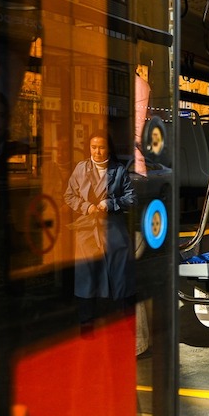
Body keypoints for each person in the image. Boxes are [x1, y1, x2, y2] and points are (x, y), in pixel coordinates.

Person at [64, 131, 137, 325]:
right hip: (87, 229)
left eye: (101, 147)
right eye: (93, 147)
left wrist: (110, 204)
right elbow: (69, 195)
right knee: (86, 276)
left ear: (109, 149)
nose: (97, 151)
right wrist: (86, 206)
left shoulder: (119, 171)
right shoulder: (81, 168)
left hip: (113, 229)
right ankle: (86, 322)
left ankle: (126, 320)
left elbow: (131, 198)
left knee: (121, 274)